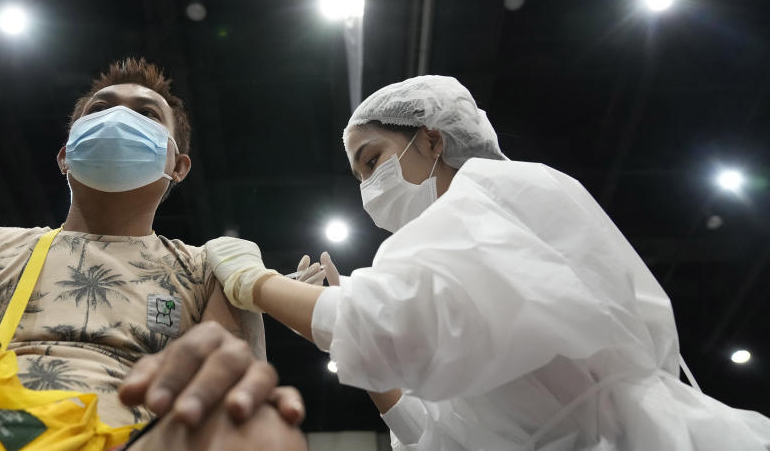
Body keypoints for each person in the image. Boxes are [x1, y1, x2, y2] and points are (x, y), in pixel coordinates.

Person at [206, 75, 770, 450]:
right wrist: (339, 320)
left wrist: (256, 283)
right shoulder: (462, 249)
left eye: (373, 159)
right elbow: (440, 434)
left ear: (430, 140)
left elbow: (385, 326)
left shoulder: (498, 191)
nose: (368, 188)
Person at [0, 57, 305, 451]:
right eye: (99, 109)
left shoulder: (205, 268)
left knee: (262, 431)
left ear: (178, 166)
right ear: (66, 153)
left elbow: (219, 392)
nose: (119, 117)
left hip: (135, 437)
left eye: (147, 114)